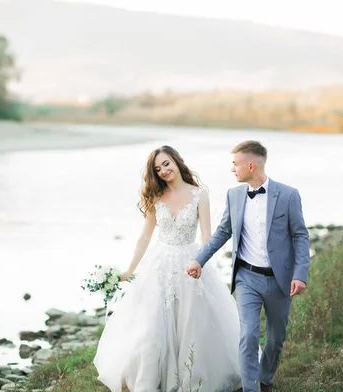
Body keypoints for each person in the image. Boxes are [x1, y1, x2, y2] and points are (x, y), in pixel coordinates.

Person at [94, 146, 242, 392]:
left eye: (166, 163)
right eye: (157, 168)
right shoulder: (156, 197)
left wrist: (202, 262)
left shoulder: (199, 194)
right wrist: (130, 270)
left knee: (191, 323)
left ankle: (191, 379)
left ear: (176, 160)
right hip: (159, 266)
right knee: (151, 326)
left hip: (191, 263)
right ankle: (152, 379)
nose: (163, 170)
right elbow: (144, 237)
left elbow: (206, 235)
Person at [187, 140, 311, 392]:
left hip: (280, 280)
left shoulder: (288, 195)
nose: (232, 169)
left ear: (251, 165)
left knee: (276, 339)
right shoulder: (233, 196)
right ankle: (250, 389)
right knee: (248, 336)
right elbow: (223, 232)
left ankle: (265, 380)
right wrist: (199, 259)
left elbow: (300, 236)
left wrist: (300, 274)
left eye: (235, 164)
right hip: (247, 278)